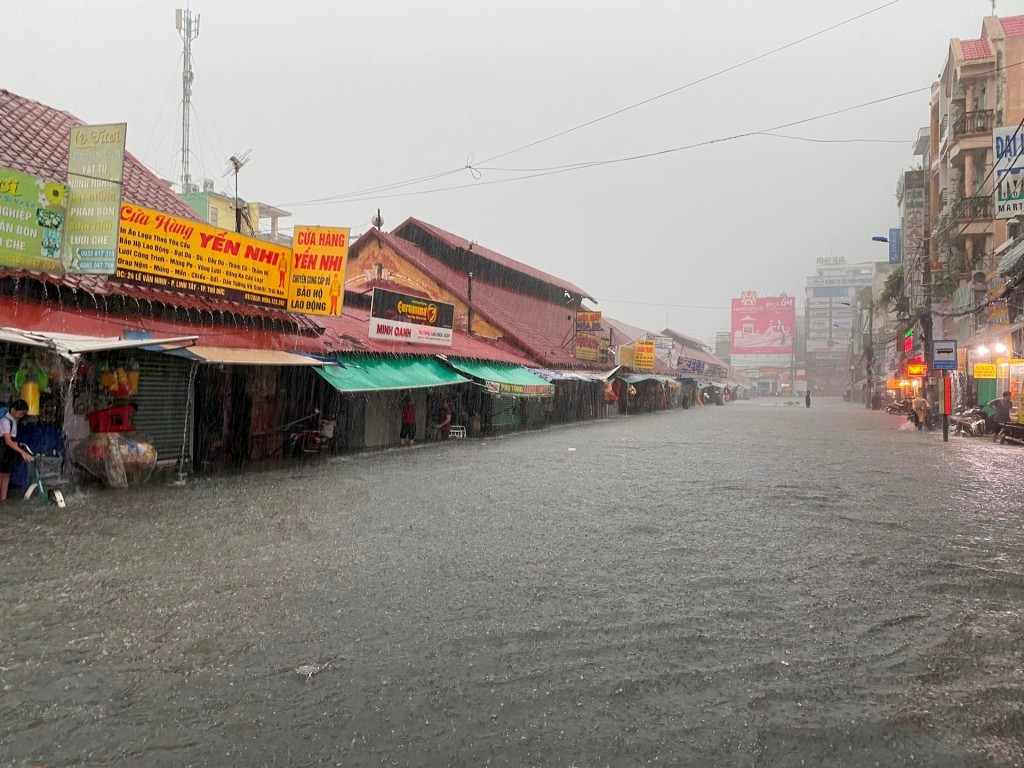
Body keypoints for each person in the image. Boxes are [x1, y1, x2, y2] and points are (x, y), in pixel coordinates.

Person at [0, 399, 34, 501]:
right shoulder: (5, 420)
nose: (21, 416)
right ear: (14, 410)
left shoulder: (12, 418)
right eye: (20, 413)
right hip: (3, 449)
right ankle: (2, 498)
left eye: (23, 414)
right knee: (2, 476)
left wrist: (15, 443)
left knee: (5, 476)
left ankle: (3, 499)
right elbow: (7, 441)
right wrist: (23, 452)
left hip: (7, 449)